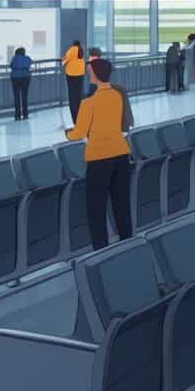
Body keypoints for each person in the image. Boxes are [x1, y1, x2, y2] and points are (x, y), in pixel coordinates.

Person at [66, 58, 133, 251]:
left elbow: (78, 133)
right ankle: (127, 244)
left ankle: (101, 252)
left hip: (99, 159)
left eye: (90, 72)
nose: (88, 74)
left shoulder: (89, 103)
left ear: (95, 75)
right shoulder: (117, 96)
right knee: (121, 204)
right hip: (120, 155)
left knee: (96, 209)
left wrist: (65, 132)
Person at [62, 40, 85, 124]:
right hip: (80, 75)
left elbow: (64, 61)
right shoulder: (81, 51)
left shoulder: (71, 50)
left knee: (72, 96)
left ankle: (75, 119)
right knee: (79, 95)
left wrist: (62, 60)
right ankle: (80, 116)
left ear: (73, 44)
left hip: (71, 75)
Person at [10, 47, 32, 121]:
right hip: (26, 77)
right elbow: (29, 64)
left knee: (17, 97)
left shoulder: (14, 58)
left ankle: (17, 116)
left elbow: (11, 65)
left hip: (15, 78)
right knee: (24, 97)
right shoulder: (27, 58)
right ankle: (25, 115)